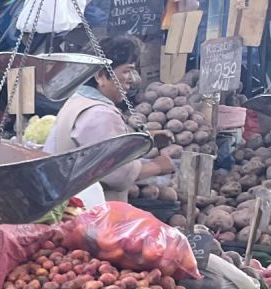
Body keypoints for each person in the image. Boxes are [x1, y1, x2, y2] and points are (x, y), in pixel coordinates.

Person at [41, 34, 173, 202]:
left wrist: (148, 140)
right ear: (101, 76)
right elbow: (118, 174)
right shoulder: (100, 113)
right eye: (127, 71)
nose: (131, 80)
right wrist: (159, 166)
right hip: (86, 211)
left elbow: (99, 147)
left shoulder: (80, 100)